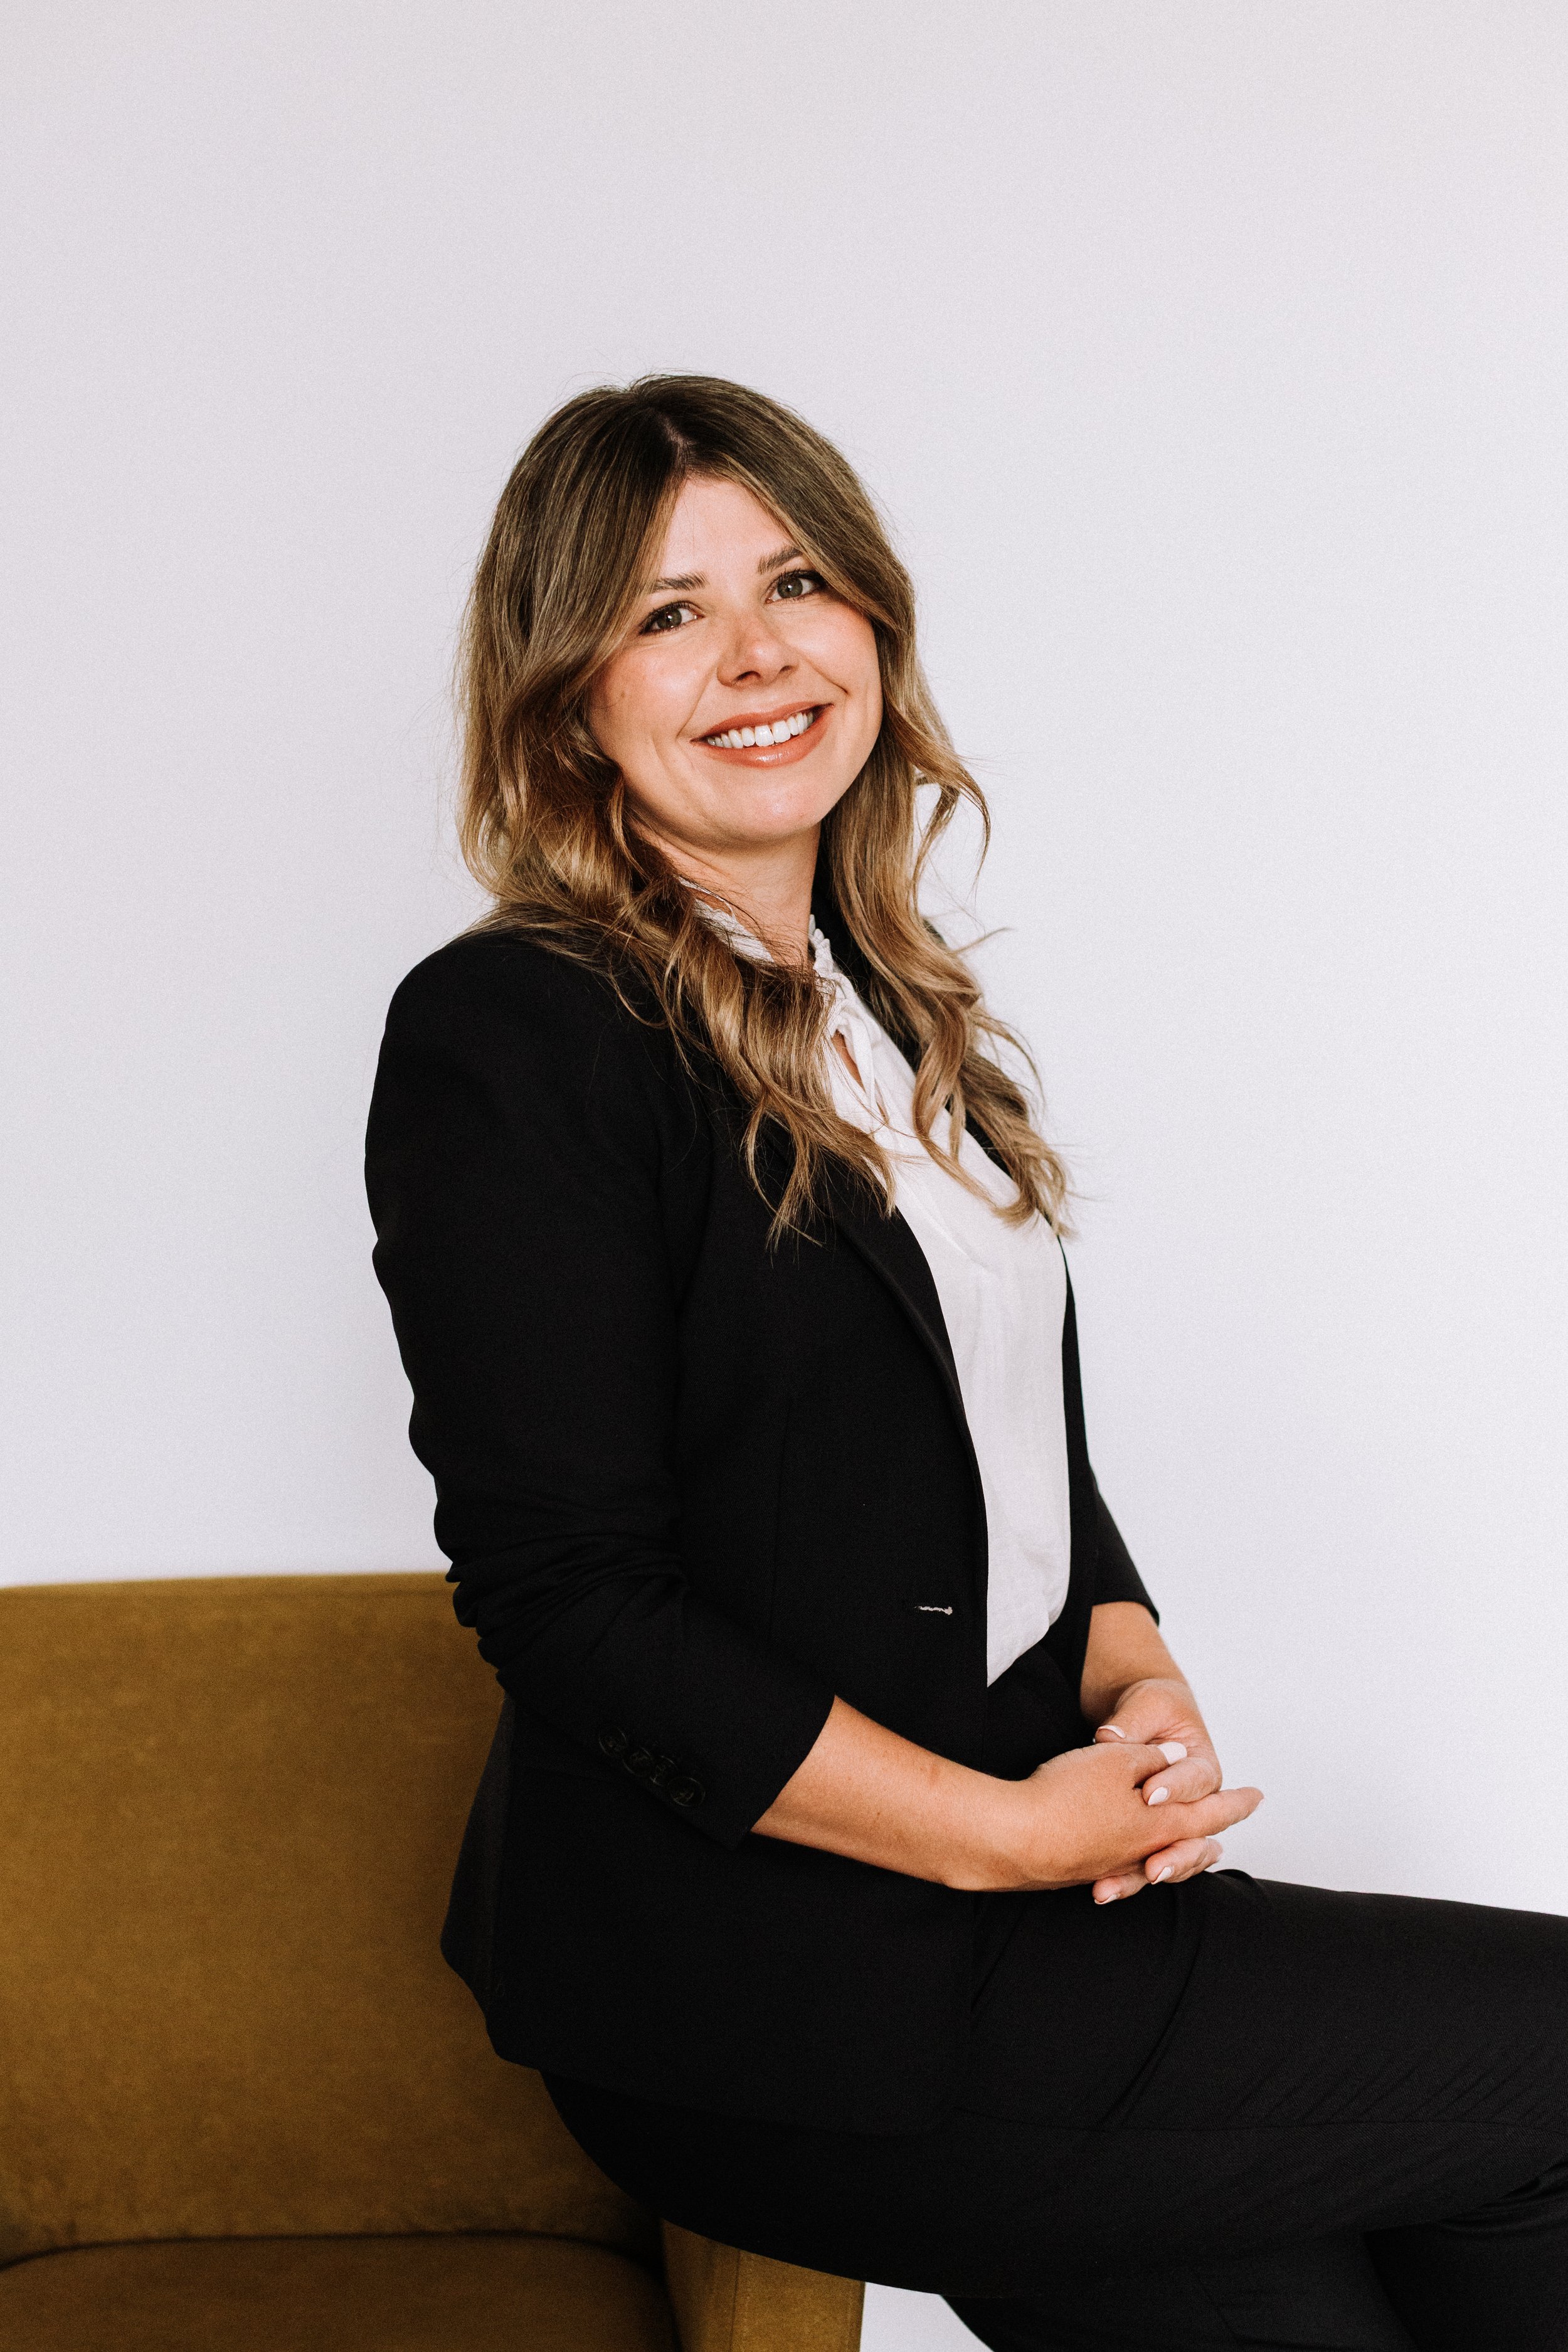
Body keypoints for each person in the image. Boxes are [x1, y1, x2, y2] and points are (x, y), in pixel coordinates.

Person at [366, 375, 1568, 2352]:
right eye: (666, 613)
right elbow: (569, 1598)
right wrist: (1013, 1836)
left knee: (1321, 2299)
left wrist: (1133, 1663)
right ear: (565, 691)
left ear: (873, 624)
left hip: (1013, 1901)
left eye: (797, 581)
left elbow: (1006, 1455)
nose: (756, 653)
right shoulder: (518, 1029)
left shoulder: (891, 1018)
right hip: (783, 1986)